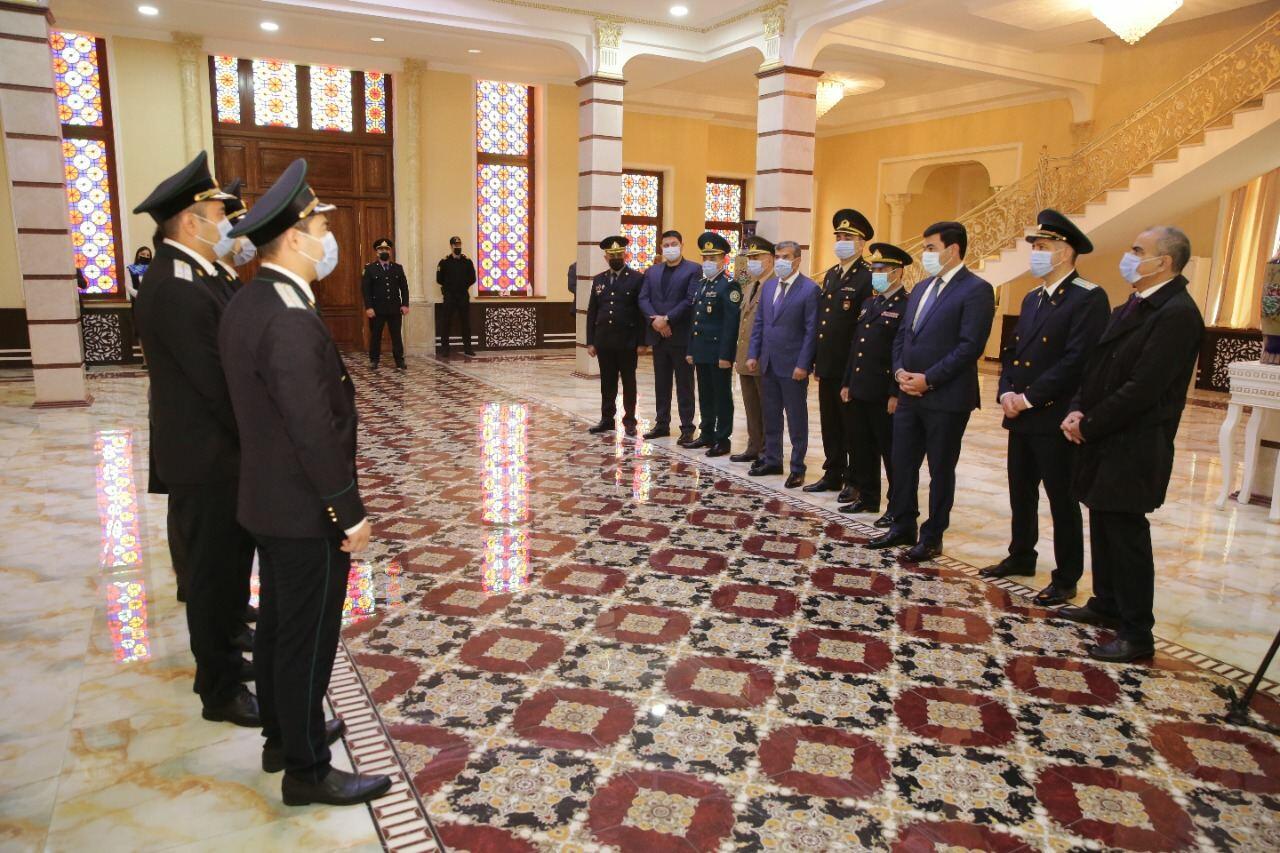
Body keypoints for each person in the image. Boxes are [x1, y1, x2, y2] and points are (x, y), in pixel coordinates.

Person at [221, 158, 391, 806]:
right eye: (320, 227)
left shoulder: (252, 298)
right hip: (302, 510)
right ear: (294, 238)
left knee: (276, 631)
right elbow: (312, 428)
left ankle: (281, 735)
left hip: (268, 500)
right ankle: (307, 768)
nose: (328, 238)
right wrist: (350, 514)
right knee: (307, 640)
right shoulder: (288, 316)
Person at [131, 151, 258, 727]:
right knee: (210, 576)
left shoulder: (195, 274)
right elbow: (216, 382)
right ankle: (219, 688)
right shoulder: (176, 286)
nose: (226, 225)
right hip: (206, 458)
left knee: (228, 568)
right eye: (218, 215)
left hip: (216, 454)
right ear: (190, 221)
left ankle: (229, 646)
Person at [1057, 226, 1204, 663]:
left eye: (1138, 250)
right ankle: (1107, 602)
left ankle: (1137, 631)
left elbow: (1144, 388)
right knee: (1103, 520)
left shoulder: (1177, 314)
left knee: (1126, 534)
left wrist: (1090, 424)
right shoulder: (1132, 305)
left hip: (1135, 443)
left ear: (1164, 262)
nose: (1129, 256)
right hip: (1105, 436)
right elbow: (1096, 368)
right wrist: (1078, 409)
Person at [981, 210, 1110, 606]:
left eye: (1042, 246)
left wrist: (1028, 398)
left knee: (1061, 499)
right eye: (1035, 246)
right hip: (1020, 415)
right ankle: (1021, 554)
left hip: (1054, 416)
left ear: (1065, 252)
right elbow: (1013, 352)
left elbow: (1077, 361)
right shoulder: (1033, 297)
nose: (1035, 253)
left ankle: (1066, 576)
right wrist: (1006, 391)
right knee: (1021, 491)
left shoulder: (1088, 297)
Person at [868, 221, 995, 561]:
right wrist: (899, 371)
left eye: (930, 248)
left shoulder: (976, 290)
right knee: (903, 462)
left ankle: (933, 535)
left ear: (952, 250)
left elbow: (969, 347)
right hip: (909, 393)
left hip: (946, 398)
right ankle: (902, 524)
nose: (925, 254)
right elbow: (902, 336)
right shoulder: (922, 287)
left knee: (940, 469)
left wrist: (929, 379)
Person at [839, 243, 913, 524]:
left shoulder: (905, 305)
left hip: (884, 392)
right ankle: (868, 497)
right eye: (875, 269)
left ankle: (896, 506)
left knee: (891, 453)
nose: (877, 274)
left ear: (897, 272)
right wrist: (847, 382)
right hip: (860, 387)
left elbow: (902, 352)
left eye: (882, 269)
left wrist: (895, 393)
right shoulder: (870, 303)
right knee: (862, 447)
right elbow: (856, 347)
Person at [806, 209, 874, 501]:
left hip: (850, 366)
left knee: (852, 427)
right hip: (829, 363)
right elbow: (825, 322)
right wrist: (817, 359)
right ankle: (833, 471)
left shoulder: (867, 277)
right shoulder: (832, 275)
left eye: (847, 237)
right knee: (830, 423)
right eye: (838, 237)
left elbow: (863, 327)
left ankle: (854, 480)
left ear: (861, 243)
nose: (841, 242)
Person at [747, 239, 819, 488]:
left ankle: (797, 467)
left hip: (793, 365)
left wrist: (803, 364)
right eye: (777, 257)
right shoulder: (769, 287)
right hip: (768, 362)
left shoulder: (809, 289)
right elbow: (760, 323)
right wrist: (753, 354)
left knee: (796, 418)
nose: (780, 261)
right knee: (771, 415)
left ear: (797, 260)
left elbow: (811, 331)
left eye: (785, 257)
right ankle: (772, 459)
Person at [639, 230, 701, 442]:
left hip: (680, 335)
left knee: (684, 384)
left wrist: (667, 319)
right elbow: (643, 298)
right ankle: (662, 423)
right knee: (661, 383)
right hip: (659, 336)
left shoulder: (693, 269)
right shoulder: (652, 271)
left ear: (682, 245)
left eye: (673, 244)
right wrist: (655, 322)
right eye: (666, 245)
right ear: (661, 248)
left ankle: (687, 427)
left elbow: (690, 300)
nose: (670, 248)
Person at [685, 232, 741, 457]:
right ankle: (706, 433)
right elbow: (695, 320)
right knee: (705, 394)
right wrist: (691, 349)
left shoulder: (729, 285)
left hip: (718, 352)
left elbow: (731, 323)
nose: (708, 262)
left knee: (721, 396)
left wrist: (726, 355)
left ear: (723, 260)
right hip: (702, 350)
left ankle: (722, 438)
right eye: (705, 258)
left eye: (713, 258)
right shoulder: (702, 284)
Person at [586, 236, 645, 436]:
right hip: (604, 341)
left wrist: (642, 342)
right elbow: (592, 312)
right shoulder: (599, 279)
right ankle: (607, 419)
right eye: (612, 255)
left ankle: (630, 421)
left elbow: (641, 313)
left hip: (627, 342)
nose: (616, 258)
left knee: (629, 382)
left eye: (619, 254)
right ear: (606, 258)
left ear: (625, 255)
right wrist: (590, 341)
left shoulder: (636, 278)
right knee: (607, 383)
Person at [731, 236, 772, 464]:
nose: (752, 262)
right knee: (750, 405)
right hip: (745, 355)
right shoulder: (750, 286)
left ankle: (767, 450)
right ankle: (753, 445)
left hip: (762, 357)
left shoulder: (773, 286)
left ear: (770, 259)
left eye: (757, 257)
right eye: (750, 258)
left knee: (766, 406)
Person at [361, 237, 410, 370]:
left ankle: (399, 361)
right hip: (377, 309)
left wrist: (405, 304)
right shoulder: (370, 269)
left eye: (387, 249)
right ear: (377, 252)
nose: (384, 251)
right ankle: (374, 360)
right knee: (376, 336)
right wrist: (369, 307)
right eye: (381, 249)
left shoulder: (398, 268)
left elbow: (404, 288)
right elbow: (366, 290)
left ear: (390, 251)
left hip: (395, 308)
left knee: (396, 336)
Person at [436, 236, 476, 356]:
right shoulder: (444, 262)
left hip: (463, 295)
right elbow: (439, 279)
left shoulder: (467, 262)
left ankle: (468, 348)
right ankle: (445, 349)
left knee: (465, 322)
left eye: (459, 245)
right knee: (446, 322)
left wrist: (463, 286)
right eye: (455, 245)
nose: (457, 247)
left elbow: (472, 278)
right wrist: (450, 288)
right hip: (449, 296)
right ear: (451, 246)